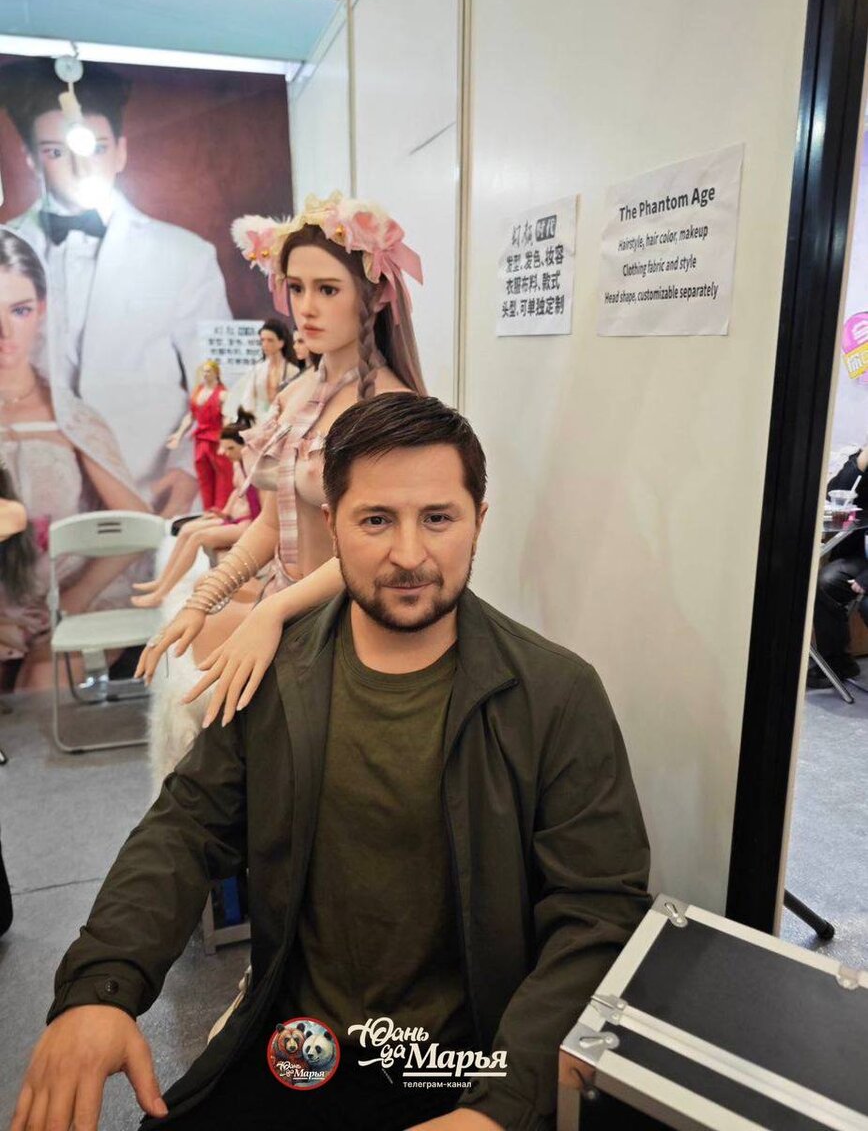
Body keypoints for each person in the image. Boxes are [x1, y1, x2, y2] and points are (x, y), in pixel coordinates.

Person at [12, 393, 651, 1131]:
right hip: (299, 1050)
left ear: (479, 520)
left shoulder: (555, 695)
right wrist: (100, 988)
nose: (408, 554)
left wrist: (502, 1106)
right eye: (376, 520)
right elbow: (185, 828)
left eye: (438, 518)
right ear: (333, 525)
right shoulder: (277, 676)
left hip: (461, 1066)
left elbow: (596, 912)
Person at [135, 191, 426, 688]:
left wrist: (272, 613)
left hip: (353, 630)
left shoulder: (388, 410)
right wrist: (203, 600)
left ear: (376, 295)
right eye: (296, 287)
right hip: (289, 610)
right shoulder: (294, 397)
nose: (306, 308)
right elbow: (269, 524)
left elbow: (377, 552)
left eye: (328, 289)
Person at [0, 57, 232, 514]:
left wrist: (190, 468)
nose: (79, 167)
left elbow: (219, 381)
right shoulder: (7, 247)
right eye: (55, 152)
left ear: (121, 152)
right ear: (30, 158)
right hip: (29, 496)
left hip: (149, 488)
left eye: (97, 148)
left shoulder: (186, 255)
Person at [0, 227, 148, 689]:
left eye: (19, 310)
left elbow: (137, 525)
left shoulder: (71, 418)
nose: (4, 333)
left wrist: (75, 598)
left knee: (40, 686)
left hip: (67, 603)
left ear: (41, 311)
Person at [132, 410, 261, 609]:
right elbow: (237, 492)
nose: (224, 453)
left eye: (230, 448)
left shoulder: (256, 470)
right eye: (224, 447)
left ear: (245, 446)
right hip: (234, 519)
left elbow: (259, 507)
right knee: (187, 530)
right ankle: (162, 582)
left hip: (247, 524)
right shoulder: (238, 465)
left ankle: (162, 593)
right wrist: (224, 512)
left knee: (197, 537)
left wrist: (237, 518)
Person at [809, 439, 868, 688]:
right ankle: (837, 664)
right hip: (862, 555)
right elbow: (836, 492)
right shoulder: (861, 460)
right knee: (827, 582)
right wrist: (860, 463)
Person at [166, 361, 234, 513]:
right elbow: (191, 416)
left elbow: (227, 418)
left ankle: (221, 512)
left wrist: (225, 440)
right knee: (204, 478)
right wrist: (178, 434)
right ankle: (207, 511)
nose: (205, 374)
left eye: (209, 371)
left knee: (223, 477)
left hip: (216, 439)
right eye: (204, 371)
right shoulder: (198, 392)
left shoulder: (223, 394)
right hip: (201, 440)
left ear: (216, 373)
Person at [239, 318, 300, 421]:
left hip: (284, 421)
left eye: (270, 340)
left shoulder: (293, 371)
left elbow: (295, 402)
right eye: (262, 340)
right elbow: (248, 399)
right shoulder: (257, 370)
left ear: (281, 343)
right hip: (258, 421)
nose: (265, 344)